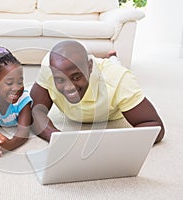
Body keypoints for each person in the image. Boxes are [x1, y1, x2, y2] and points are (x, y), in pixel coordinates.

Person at [30, 40, 164, 144]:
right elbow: (34, 112)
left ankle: (113, 58)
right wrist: (57, 138)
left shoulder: (118, 79)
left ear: (89, 67)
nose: (69, 87)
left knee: (116, 65)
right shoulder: (49, 68)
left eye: (76, 77)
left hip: (110, 104)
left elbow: (155, 127)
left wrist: (107, 145)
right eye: (60, 80)